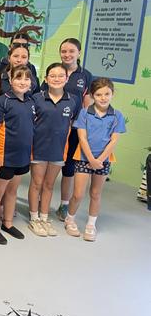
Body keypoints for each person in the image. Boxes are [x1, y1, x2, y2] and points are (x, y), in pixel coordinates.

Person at [65, 78, 125, 241]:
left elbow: (114, 140)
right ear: (92, 95)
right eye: (99, 94)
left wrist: (99, 160)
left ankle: (91, 224)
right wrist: (91, 159)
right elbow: (82, 138)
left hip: (103, 161)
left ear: (112, 94)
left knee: (96, 193)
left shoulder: (117, 116)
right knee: (77, 194)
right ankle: (69, 219)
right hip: (84, 158)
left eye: (107, 94)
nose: (103, 97)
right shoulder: (85, 113)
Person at [27, 63, 81, 238]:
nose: (56, 79)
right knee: (36, 183)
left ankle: (44, 217)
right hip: (38, 148)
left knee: (49, 185)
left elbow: (72, 124)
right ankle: (34, 218)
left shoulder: (72, 101)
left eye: (60, 76)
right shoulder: (37, 98)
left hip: (58, 150)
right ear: (46, 78)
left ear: (66, 79)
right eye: (52, 75)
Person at [0, 65, 34, 245]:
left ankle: (7, 222)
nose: (23, 82)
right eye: (18, 78)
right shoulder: (2, 101)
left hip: (21, 156)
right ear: (10, 80)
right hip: (4, 155)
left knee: (12, 191)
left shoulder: (30, 102)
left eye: (26, 79)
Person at [53, 38, 93, 221]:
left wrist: (86, 126)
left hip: (74, 128)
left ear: (79, 53)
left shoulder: (85, 75)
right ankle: (40, 202)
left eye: (71, 51)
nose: (67, 55)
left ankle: (64, 204)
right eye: (64, 51)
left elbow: (87, 104)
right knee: (50, 164)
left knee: (68, 167)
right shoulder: (55, 71)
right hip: (54, 127)